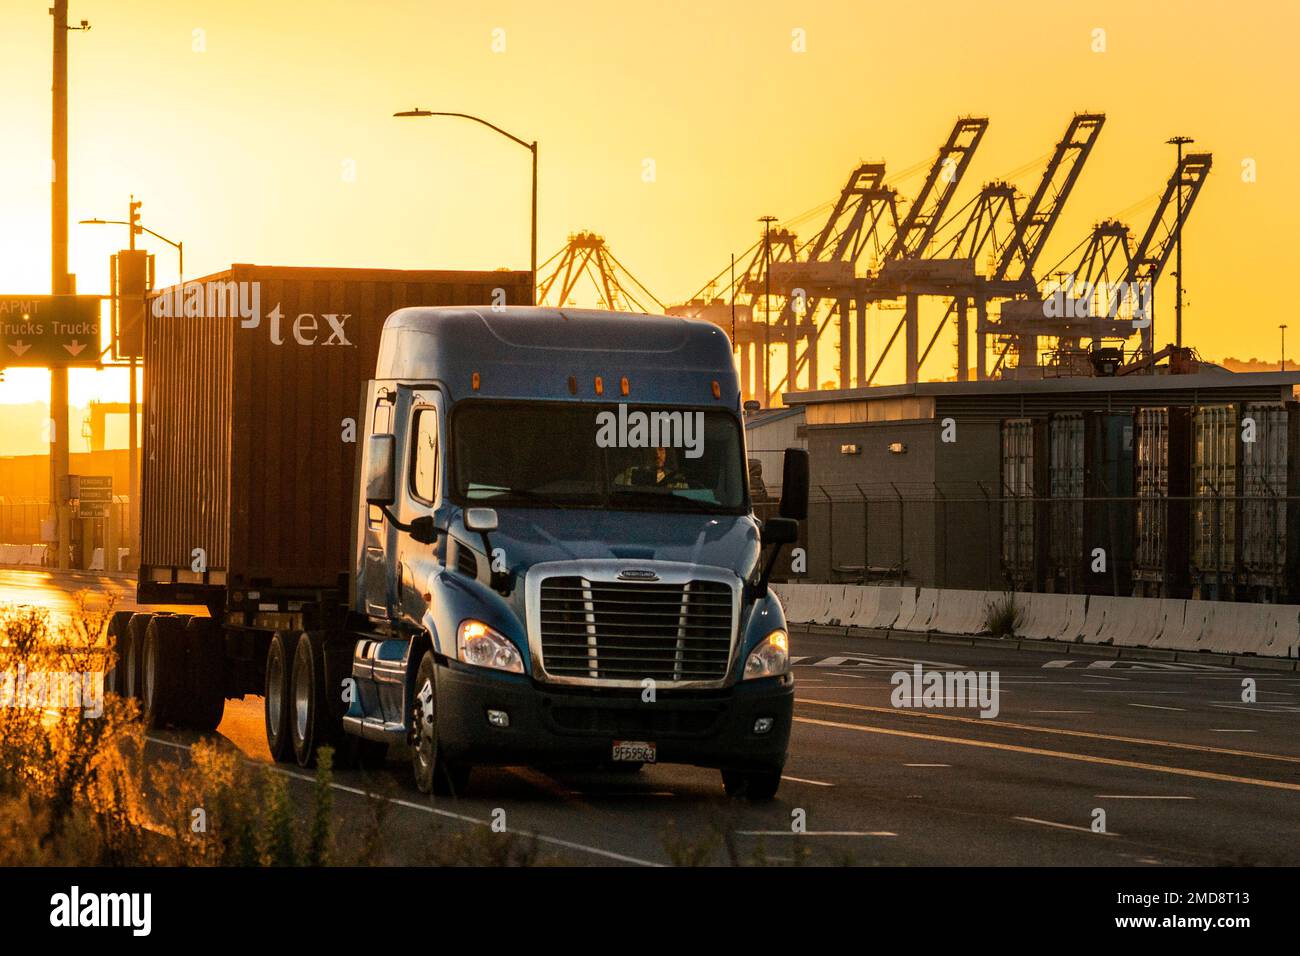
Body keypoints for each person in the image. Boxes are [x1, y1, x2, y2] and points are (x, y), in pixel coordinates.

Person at [615, 446, 687, 489]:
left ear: (666, 453)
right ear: (645, 452)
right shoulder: (627, 477)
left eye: (661, 449)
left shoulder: (678, 480)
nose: (657, 454)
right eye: (652, 449)